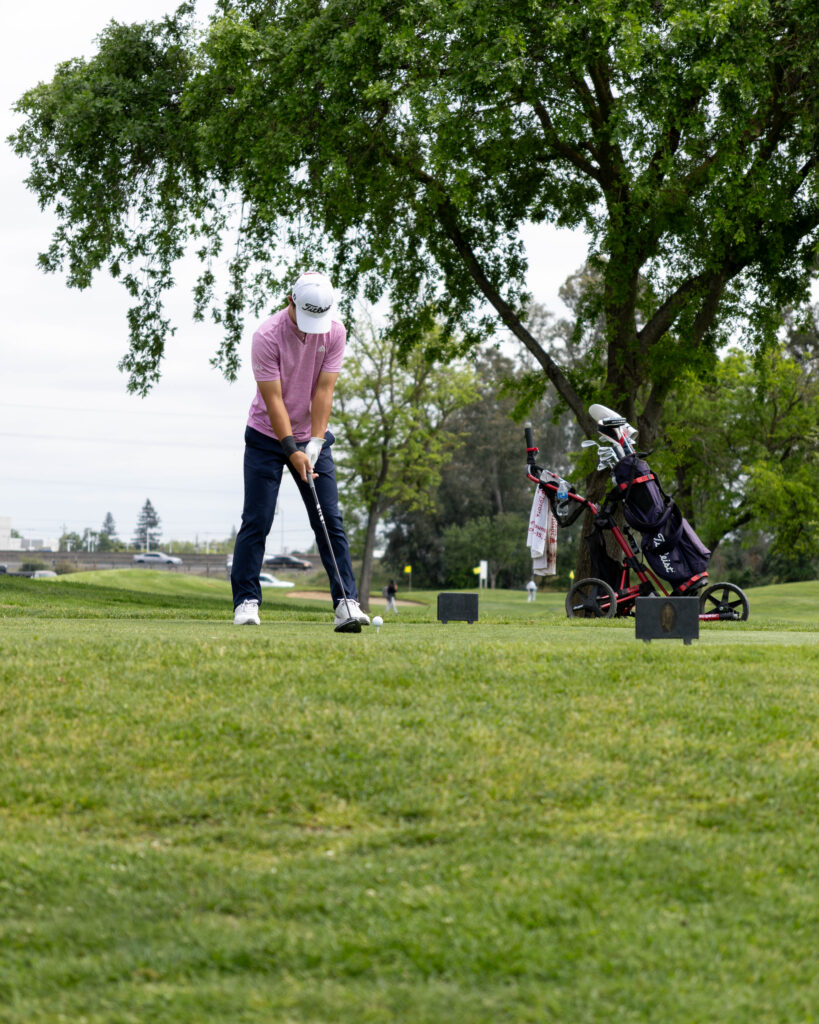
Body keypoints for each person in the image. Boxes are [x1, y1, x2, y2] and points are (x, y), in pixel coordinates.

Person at [231, 271, 369, 628]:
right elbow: (273, 398)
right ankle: (246, 601)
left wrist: (316, 445)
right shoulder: (266, 336)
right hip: (265, 436)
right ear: (289, 301)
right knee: (257, 519)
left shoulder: (334, 331)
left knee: (329, 521)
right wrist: (292, 449)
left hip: (312, 436)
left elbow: (324, 391)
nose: (311, 329)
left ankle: (346, 602)